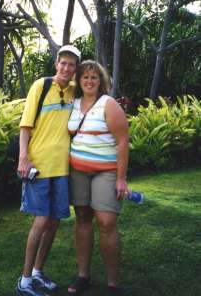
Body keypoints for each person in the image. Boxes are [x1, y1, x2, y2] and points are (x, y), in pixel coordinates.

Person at [16, 45, 81, 296]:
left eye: (71, 64)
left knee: (53, 222)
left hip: (63, 168)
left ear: (75, 68)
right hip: (39, 165)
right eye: (63, 63)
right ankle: (24, 281)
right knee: (41, 220)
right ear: (56, 64)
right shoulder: (40, 86)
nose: (66, 68)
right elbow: (25, 125)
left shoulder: (75, 90)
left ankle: (37, 273)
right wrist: (23, 157)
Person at [67, 60, 129, 296]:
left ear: (100, 80)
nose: (89, 81)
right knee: (82, 218)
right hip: (78, 171)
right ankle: (83, 275)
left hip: (106, 171)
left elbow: (123, 141)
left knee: (106, 222)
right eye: (85, 77)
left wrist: (121, 179)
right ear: (79, 81)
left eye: (93, 77)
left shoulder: (108, 104)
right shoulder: (72, 105)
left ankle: (112, 283)